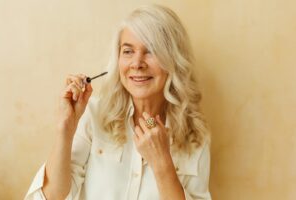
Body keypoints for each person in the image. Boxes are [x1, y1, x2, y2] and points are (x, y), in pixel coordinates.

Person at [25, 4, 211, 200]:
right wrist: (65, 129)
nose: (137, 64)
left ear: (173, 58)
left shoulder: (196, 136)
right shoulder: (93, 114)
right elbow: (50, 197)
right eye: (128, 51)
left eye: (151, 51)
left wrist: (162, 163)